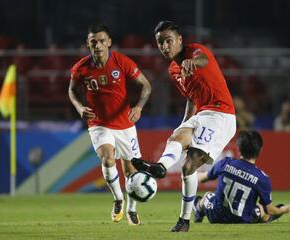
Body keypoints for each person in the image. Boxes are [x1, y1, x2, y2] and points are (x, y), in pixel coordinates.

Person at [132, 20, 236, 232]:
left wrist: (193, 62)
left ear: (180, 40)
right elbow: (191, 98)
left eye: (169, 41)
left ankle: (184, 220)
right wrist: (184, 124)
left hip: (221, 114)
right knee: (176, 138)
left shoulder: (195, 50)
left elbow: (204, 60)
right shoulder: (173, 69)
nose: (165, 46)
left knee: (189, 165)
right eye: (160, 43)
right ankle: (160, 168)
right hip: (202, 113)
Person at [68, 23, 152, 225]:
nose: (97, 45)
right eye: (93, 42)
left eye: (101, 41)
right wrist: (80, 108)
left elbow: (146, 86)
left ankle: (132, 209)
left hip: (125, 124)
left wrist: (139, 107)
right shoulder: (81, 67)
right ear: (88, 44)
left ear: (109, 42)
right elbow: (71, 91)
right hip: (99, 124)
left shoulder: (121, 61)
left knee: (131, 171)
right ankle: (118, 199)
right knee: (107, 159)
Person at [194, 130, 290, 224]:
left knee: (208, 195)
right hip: (240, 219)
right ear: (260, 150)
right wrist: (283, 209)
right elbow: (269, 209)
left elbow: (202, 179)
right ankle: (267, 218)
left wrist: (190, 173)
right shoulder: (262, 178)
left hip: (216, 216)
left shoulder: (225, 163)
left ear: (239, 148)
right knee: (260, 209)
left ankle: (198, 209)